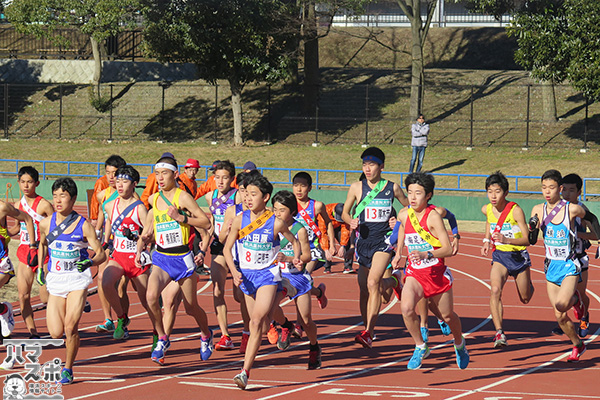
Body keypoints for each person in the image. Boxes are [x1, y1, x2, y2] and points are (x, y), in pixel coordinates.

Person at [223, 173, 301, 390]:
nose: (248, 198)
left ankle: (244, 372)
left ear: (265, 197)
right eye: (246, 194)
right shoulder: (239, 220)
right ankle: (285, 324)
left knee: (256, 322)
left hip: (267, 276)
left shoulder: (275, 223)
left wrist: (294, 258)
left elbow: (294, 241)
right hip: (247, 277)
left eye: (253, 194)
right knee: (262, 323)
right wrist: (234, 270)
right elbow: (227, 249)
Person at [136, 154, 214, 366]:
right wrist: (144, 240)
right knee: (151, 297)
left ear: (175, 174)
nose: (160, 178)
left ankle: (206, 334)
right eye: (157, 173)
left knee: (191, 308)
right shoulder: (154, 199)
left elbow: (206, 223)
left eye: (165, 173)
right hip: (161, 257)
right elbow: (150, 227)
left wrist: (182, 218)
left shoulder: (183, 197)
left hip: (182, 258)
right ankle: (162, 338)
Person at [391, 172, 469, 370]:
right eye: (410, 193)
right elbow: (401, 229)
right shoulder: (403, 214)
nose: (413, 197)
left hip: (435, 274)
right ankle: (420, 346)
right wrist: (398, 251)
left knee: (448, 316)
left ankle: (459, 344)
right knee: (407, 308)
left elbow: (448, 249)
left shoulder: (433, 217)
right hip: (415, 274)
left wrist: (426, 254)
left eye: (418, 193)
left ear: (428, 195)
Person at [38, 177, 107, 384]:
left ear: (73, 198)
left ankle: (67, 368)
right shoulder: (45, 223)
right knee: (55, 332)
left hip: (77, 280)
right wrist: (41, 267)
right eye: (55, 196)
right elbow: (42, 244)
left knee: (70, 328)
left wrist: (90, 263)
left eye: (64, 196)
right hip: (56, 281)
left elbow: (101, 254)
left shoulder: (83, 225)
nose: (58, 201)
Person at [528, 169, 600, 362]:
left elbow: (592, 218)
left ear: (559, 189)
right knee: (560, 317)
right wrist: (532, 228)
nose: (547, 191)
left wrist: (599, 239)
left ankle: (577, 300)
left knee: (562, 303)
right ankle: (578, 344)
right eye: (543, 187)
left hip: (570, 264)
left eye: (551, 187)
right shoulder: (537, 209)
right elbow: (532, 240)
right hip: (551, 266)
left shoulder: (572, 208)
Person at [341, 146, 408, 348]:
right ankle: (394, 282)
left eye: (371, 164)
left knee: (372, 283)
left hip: (384, 242)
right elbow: (344, 213)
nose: (367, 168)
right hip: (364, 243)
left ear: (382, 166)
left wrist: (397, 220)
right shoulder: (356, 187)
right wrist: (350, 221)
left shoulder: (392, 188)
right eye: (364, 164)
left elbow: (408, 209)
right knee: (364, 290)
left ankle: (369, 332)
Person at [481, 171, 534, 348]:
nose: (493, 196)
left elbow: (528, 239)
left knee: (525, 298)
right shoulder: (487, 208)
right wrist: (487, 240)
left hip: (518, 256)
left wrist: (507, 239)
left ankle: (529, 283)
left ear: (505, 192)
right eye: (489, 191)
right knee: (495, 289)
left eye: (497, 191)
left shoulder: (516, 210)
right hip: (500, 256)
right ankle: (499, 333)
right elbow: (489, 221)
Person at [101, 165, 154, 340]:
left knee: (147, 300)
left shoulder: (140, 209)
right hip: (119, 256)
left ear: (134, 185)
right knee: (106, 282)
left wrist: (138, 237)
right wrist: (105, 241)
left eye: (125, 182)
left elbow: (151, 235)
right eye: (118, 182)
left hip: (136, 258)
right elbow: (109, 224)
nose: (120, 185)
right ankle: (121, 318)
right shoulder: (109, 206)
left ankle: (158, 333)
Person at [270, 190, 321, 369]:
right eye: (275, 209)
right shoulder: (271, 226)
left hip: (297, 277)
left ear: (292, 211)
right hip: (278, 276)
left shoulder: (300, 230)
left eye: (281, 210)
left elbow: (306, 255)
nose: (277, 213)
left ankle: (314, 346)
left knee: (306, 320)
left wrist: (291, 259)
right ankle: (285, 325)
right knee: (271, 306)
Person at [9, 166, 53, 339]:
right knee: (23, 295)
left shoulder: (44, 205)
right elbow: (16, 229)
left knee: (45, 297)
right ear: (18, 183)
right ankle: (32, 332)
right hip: (25, 252)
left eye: (29, 182)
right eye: (23, 182)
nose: (26, 185)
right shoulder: (17, 205)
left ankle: (58, 322)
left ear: (37, 183)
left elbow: (55, 227)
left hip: (43, 252)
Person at [204, 160, 241, 351]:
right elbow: (212, 221)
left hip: (236, 247)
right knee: (217, 289)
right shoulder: (210, 196)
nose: (220, 181)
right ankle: (225, 334)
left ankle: (253, 327)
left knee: (239, 294)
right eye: (217, 177)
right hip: (219, 246)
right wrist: (204, 244)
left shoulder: (238, 196)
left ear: (232, 179)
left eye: (224, 177)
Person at [94, 155, 128, 334]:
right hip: (109, 242)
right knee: (101, 279)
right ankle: (108, 319)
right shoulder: (102, 194)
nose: (111, 177)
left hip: (125, 244)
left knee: (121, 286)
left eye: (114, 173)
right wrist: (97, 233)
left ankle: (124, 319)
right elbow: (102, 214)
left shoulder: (129, 195)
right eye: (107, 173)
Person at [0, 199, 36, 370]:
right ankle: (3, 310)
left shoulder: (2, 208)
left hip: (1, 265)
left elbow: (28, 219)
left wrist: (33, 245)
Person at [557, 173, 594, 337]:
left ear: (579, 192)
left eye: (571, 190)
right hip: (561, 258)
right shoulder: (556, 209)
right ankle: (562, 321)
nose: (566, 194)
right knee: (561, 296)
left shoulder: (582, 210)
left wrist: (579, 235)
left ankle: (584, 316)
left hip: (579, 257)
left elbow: (595, 234)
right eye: (564, 190)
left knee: (580, 294)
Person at [318, 203, 354, 274]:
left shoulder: (345, 213)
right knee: (324, 245)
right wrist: (326, 250)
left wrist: (343, 245)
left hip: (338, 227)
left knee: (347, 242)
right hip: (325, 228)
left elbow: (345, 229)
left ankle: (348, 266)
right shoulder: (325, 212)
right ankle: (327, 266)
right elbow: (323, 234)